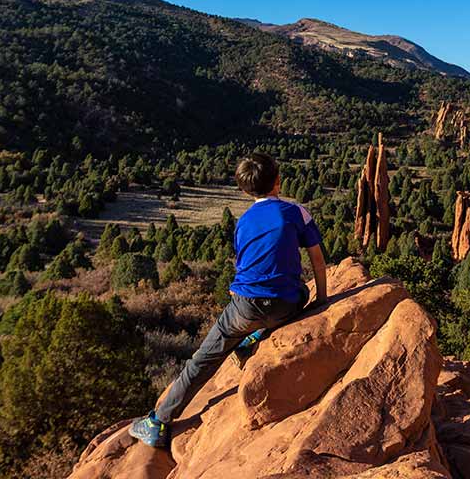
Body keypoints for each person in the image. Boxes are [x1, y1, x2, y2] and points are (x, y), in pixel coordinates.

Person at [129, 152, 328, 447]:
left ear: (245, 189)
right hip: (287, 304)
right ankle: (254, 339)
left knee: (203, 359)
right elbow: (318, 260)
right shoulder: (297, 212)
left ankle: (157, 422)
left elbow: (245, 263)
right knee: (303, 292)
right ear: (278, 181)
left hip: (245, 306)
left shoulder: (244, 221)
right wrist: (322, 300)